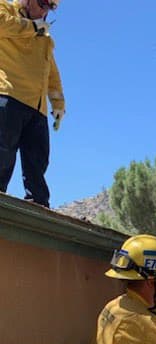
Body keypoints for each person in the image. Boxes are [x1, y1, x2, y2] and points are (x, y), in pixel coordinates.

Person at [0, 0, 65, 207]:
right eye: (42, 3)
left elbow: (51, 71)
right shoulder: (5, 9)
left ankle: (38, 207)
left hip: (37, 108)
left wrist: (57, 102)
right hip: (8, 94)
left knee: (38, 161)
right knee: (3, 153)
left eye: (50, 7)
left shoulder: (44, 36)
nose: (45, 10)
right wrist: (32, 27)